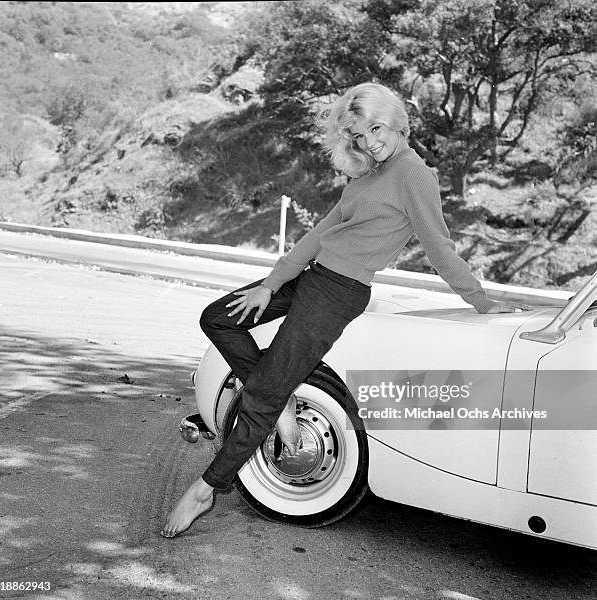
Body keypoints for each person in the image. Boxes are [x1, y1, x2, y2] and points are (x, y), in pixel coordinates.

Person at [161, 82, 528, 538]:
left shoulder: (415, 176)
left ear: (396, 121)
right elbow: (320, 234)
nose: (368, 142)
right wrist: (272, 283)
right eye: (357, 135)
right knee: (218, 317)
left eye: (375, 129)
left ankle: (206, 488)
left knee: (259, 396)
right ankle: (282, 401)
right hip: (309, 276)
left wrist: (481, 299)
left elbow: (440, 248)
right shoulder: (367, 173)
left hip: (339, 291)